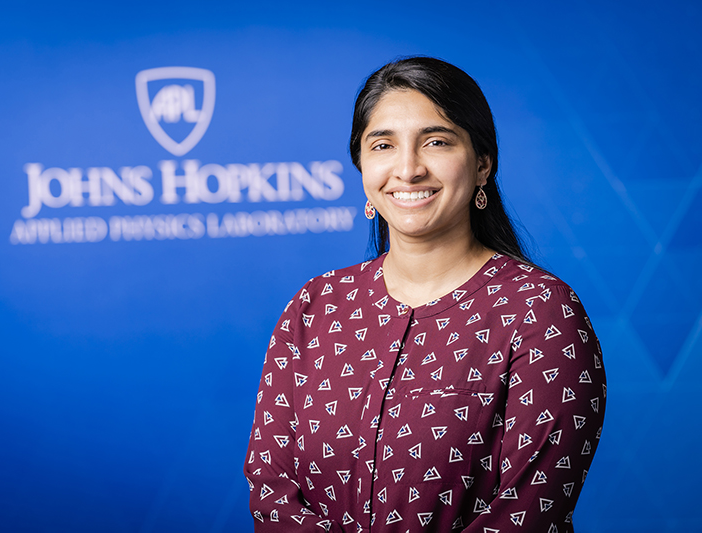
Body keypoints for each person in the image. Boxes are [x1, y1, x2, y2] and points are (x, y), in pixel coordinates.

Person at [244, 56, 605, 532]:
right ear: (362, 166)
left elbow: (529, 511)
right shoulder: (316, 306)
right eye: (383, 144)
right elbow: (272, 489)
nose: (408, 169)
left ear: (482, 164)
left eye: (436, 141)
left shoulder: (540, 312)